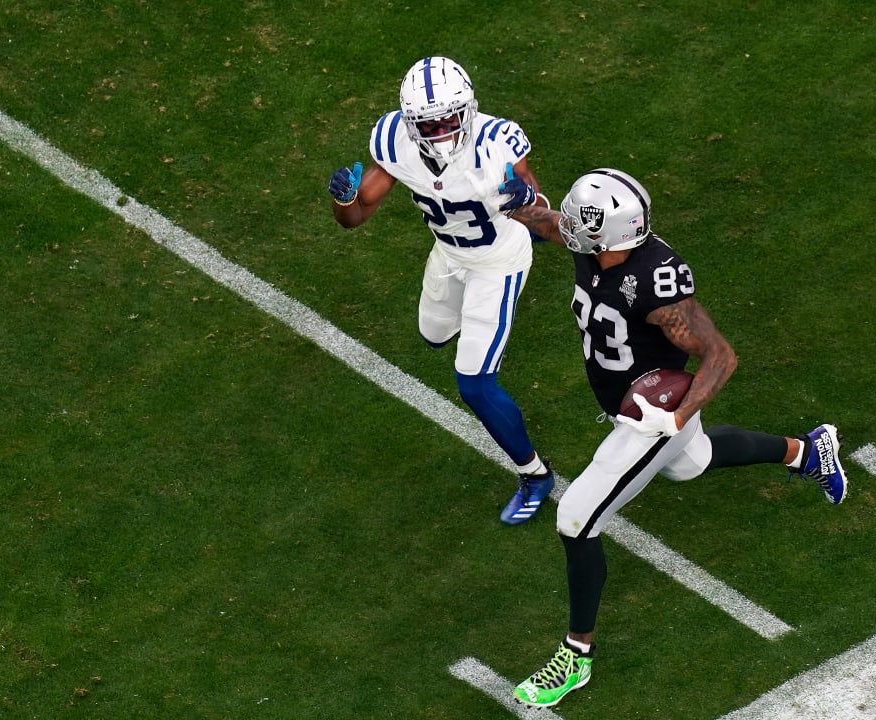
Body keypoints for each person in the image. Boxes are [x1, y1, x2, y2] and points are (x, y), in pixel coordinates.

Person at [496, 168, 849, 707]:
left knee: (576, 518)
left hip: (653, 414)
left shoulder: (655, 283)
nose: (571, 227)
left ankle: (576, 656)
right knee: (693, 462)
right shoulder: (594, 247)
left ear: (610, 231)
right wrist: (502, 202)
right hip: (631, 405)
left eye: (583, 222)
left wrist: (675, 419)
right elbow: (549, 223)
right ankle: (807, 451)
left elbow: (721, 356)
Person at [326, 56, 555, 525]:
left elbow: (539, 204)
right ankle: (470, 324)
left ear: (468, 107)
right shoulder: (394, 141)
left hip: (498, 263)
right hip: (448, 254)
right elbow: (354, 219)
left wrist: (528, 202)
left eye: (448, 116)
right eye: (427, 122)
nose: (439, 129)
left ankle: (534, 474)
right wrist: (342, 199)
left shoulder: (496, 142)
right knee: (431, 336)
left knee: (473, 382)